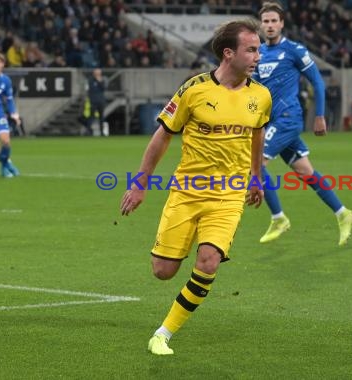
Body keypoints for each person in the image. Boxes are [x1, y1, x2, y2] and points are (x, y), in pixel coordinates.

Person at [120, 19, 270, 356]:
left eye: (258, 49)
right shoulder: (194, 89)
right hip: (186, 193)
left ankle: (163, 333)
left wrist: (256, 175)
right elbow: (162, 135)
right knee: (163, 271)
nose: (258, 55)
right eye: (252, 49)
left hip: (228, 195)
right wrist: (140, 183)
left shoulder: (261, 96)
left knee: (208, 261)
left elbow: (258, 132)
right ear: (229, 53)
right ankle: (178, 245)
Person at [253, 2, 352, 246]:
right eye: (265, 21)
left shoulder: (294, 50)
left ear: (282, 24)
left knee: (255, 164)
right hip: (271, 121)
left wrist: (319, 115)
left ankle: (279, 218)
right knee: (305, 171)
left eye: (273, 21)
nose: (269, 25)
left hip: (288, 118)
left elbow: (317, 82)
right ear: (261, 25)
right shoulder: (259, 54)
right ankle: (343, 213)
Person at [86, 68, 107, 136]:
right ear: (94, 73)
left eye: (99, 73)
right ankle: (89, 131)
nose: (98, 74)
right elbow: (91, 89)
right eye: (96, 73)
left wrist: (99, 82)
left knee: (102, 117)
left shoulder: (102, 80)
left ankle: (102, 132)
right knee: (91, 116)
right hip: (93, 101)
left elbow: (103, 88)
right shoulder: (90, 80)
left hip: (101, 101)